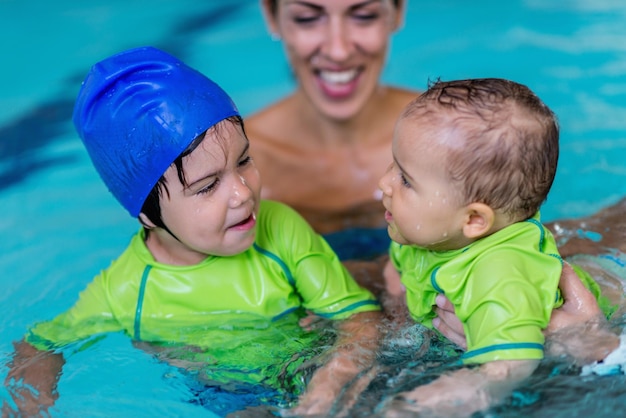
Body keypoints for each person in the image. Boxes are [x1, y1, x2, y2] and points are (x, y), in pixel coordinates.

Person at [3, 46, 382, 418]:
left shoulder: (280, 229)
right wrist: (30, 406)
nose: (242, 192)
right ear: (147, 214)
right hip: (231, 395)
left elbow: (359, 318)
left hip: (314, 366)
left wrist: (329, 384)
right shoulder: (127, 292)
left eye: (244, 160)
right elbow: (38, 345)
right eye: (206, 186)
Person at [377, 78, 619, 416]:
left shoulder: (500, 274)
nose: (383, 183)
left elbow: (512, 364)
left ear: (474, 220)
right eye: (394, 164)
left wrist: (464, 389)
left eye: (405, 179)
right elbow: (397, 267)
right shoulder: (426, 231)